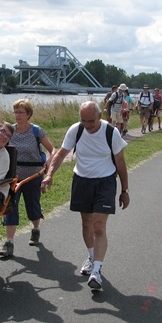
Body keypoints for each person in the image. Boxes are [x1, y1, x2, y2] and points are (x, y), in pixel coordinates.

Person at [41, 101, 129, 291]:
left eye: (91, 121)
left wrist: (124, 190)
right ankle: (91, 257)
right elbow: (61, 154)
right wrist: (49, 175)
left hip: (105, 181)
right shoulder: (76, 130)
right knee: (86, 223)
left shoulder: (110, 132)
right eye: (83, 120)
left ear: (99, 117)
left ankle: (96, 271)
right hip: (82, 180)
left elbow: (121, 163)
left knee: (99, 226)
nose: (87, 125)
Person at [0, 99, 56, 257]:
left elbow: (53, 150)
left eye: (21, 112)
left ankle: (36, 229)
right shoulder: (9, 130)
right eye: (16, 112)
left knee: (33, 206)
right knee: (10, 208)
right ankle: (9, 243)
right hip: (13, 177)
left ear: (28, 114)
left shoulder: (37, 131)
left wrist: (48, 164)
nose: (17, 115)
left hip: (33, 176)